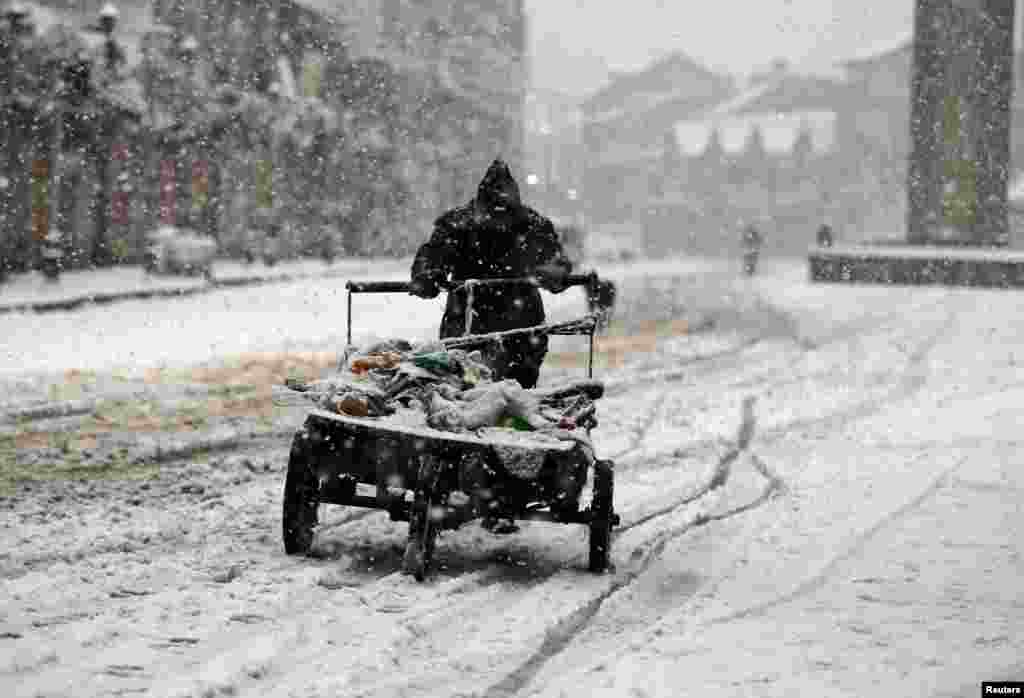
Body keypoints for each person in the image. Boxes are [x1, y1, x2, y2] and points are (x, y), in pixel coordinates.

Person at [410, 158, 573, 390]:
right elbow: (431, 255)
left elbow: (556, 262)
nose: (498, 218)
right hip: (468, 327)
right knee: (465, 390)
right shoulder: (456, 225)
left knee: (511, 394)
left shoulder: (533, 226)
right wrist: (425, 275)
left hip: (520, 331)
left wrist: (554, 273)